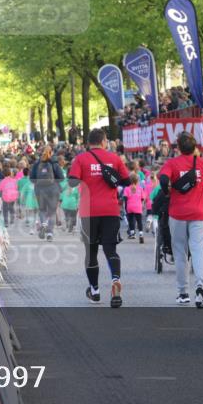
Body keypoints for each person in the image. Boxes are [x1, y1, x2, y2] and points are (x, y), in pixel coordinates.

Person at [67, 129, 130, 308]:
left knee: (91, 252)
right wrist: (111, 177)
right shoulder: (115, 159)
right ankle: (115, 280)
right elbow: (126, 181)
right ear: (103, 141)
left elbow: (72, 181)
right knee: (111, 250)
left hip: (89, 212)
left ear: (88, 143)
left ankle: (94, 291)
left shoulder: (80, 159)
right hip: (110, 211)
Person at [158, 132, 203, 308]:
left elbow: (162, 180)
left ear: (177, 147)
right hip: (199, 214)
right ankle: (200, 287)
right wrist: (201, 186)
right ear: (194, 147)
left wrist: (169, 190)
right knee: (199, 249)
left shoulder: (172, 163)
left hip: (177, 214)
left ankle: (183, 293)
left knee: (180, 252)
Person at [31, 146, 65, 240]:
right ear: (51, 152)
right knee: (52, 212)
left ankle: (43, 224)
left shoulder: (37, 164)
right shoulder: (54, 163)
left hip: (40, 189)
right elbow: (61, 177)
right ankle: (50, 233)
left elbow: (32, 178)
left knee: (42, 210)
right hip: (53, 190)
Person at [120, 173, 145, 243]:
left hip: (130, 206)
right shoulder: (140, 188)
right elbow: (142, 198)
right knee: (139, 221)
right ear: (137, 181)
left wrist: (124, 207)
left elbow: (125, 198)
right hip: (138, 206)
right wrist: (142, 205)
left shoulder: (127, 189)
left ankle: (132, 233)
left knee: (131, 220)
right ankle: (141, 234)